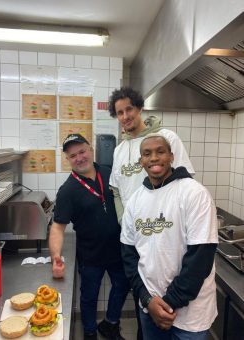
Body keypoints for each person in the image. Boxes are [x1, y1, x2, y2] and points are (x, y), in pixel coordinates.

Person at [108, 86, 195, 339]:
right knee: (141, 293)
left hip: (165, 230)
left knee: (170, 287)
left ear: (140, 109)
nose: (125, 116)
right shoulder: (119, 150)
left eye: (129, 109)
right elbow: (115, 190)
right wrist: (124, 222)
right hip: (137, 235)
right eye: (119, 112)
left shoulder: (165, 137)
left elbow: (185, 179)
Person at [120, 133, 218, 340]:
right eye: (147, 154)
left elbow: (200, 258)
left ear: (172, 157)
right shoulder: (135, 201)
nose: (154, 158)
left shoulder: (194, 193)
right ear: (141, 162)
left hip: (191, 317)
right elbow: (130, 257)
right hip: (150, 310)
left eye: (160, 151)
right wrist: (148, 300)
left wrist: (168, 303)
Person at [49, 133, 130, 340]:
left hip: (118, 249)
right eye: (73, 155)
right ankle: (90, 331)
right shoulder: (68, 190)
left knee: (122, 285)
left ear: (91, 149)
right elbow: (58, 227)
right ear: (68, 159)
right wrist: (56, 257)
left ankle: (110, 323)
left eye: (82, 151)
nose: (79, 158)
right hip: (90, 255)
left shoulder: (108, 173)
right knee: (89, 297)